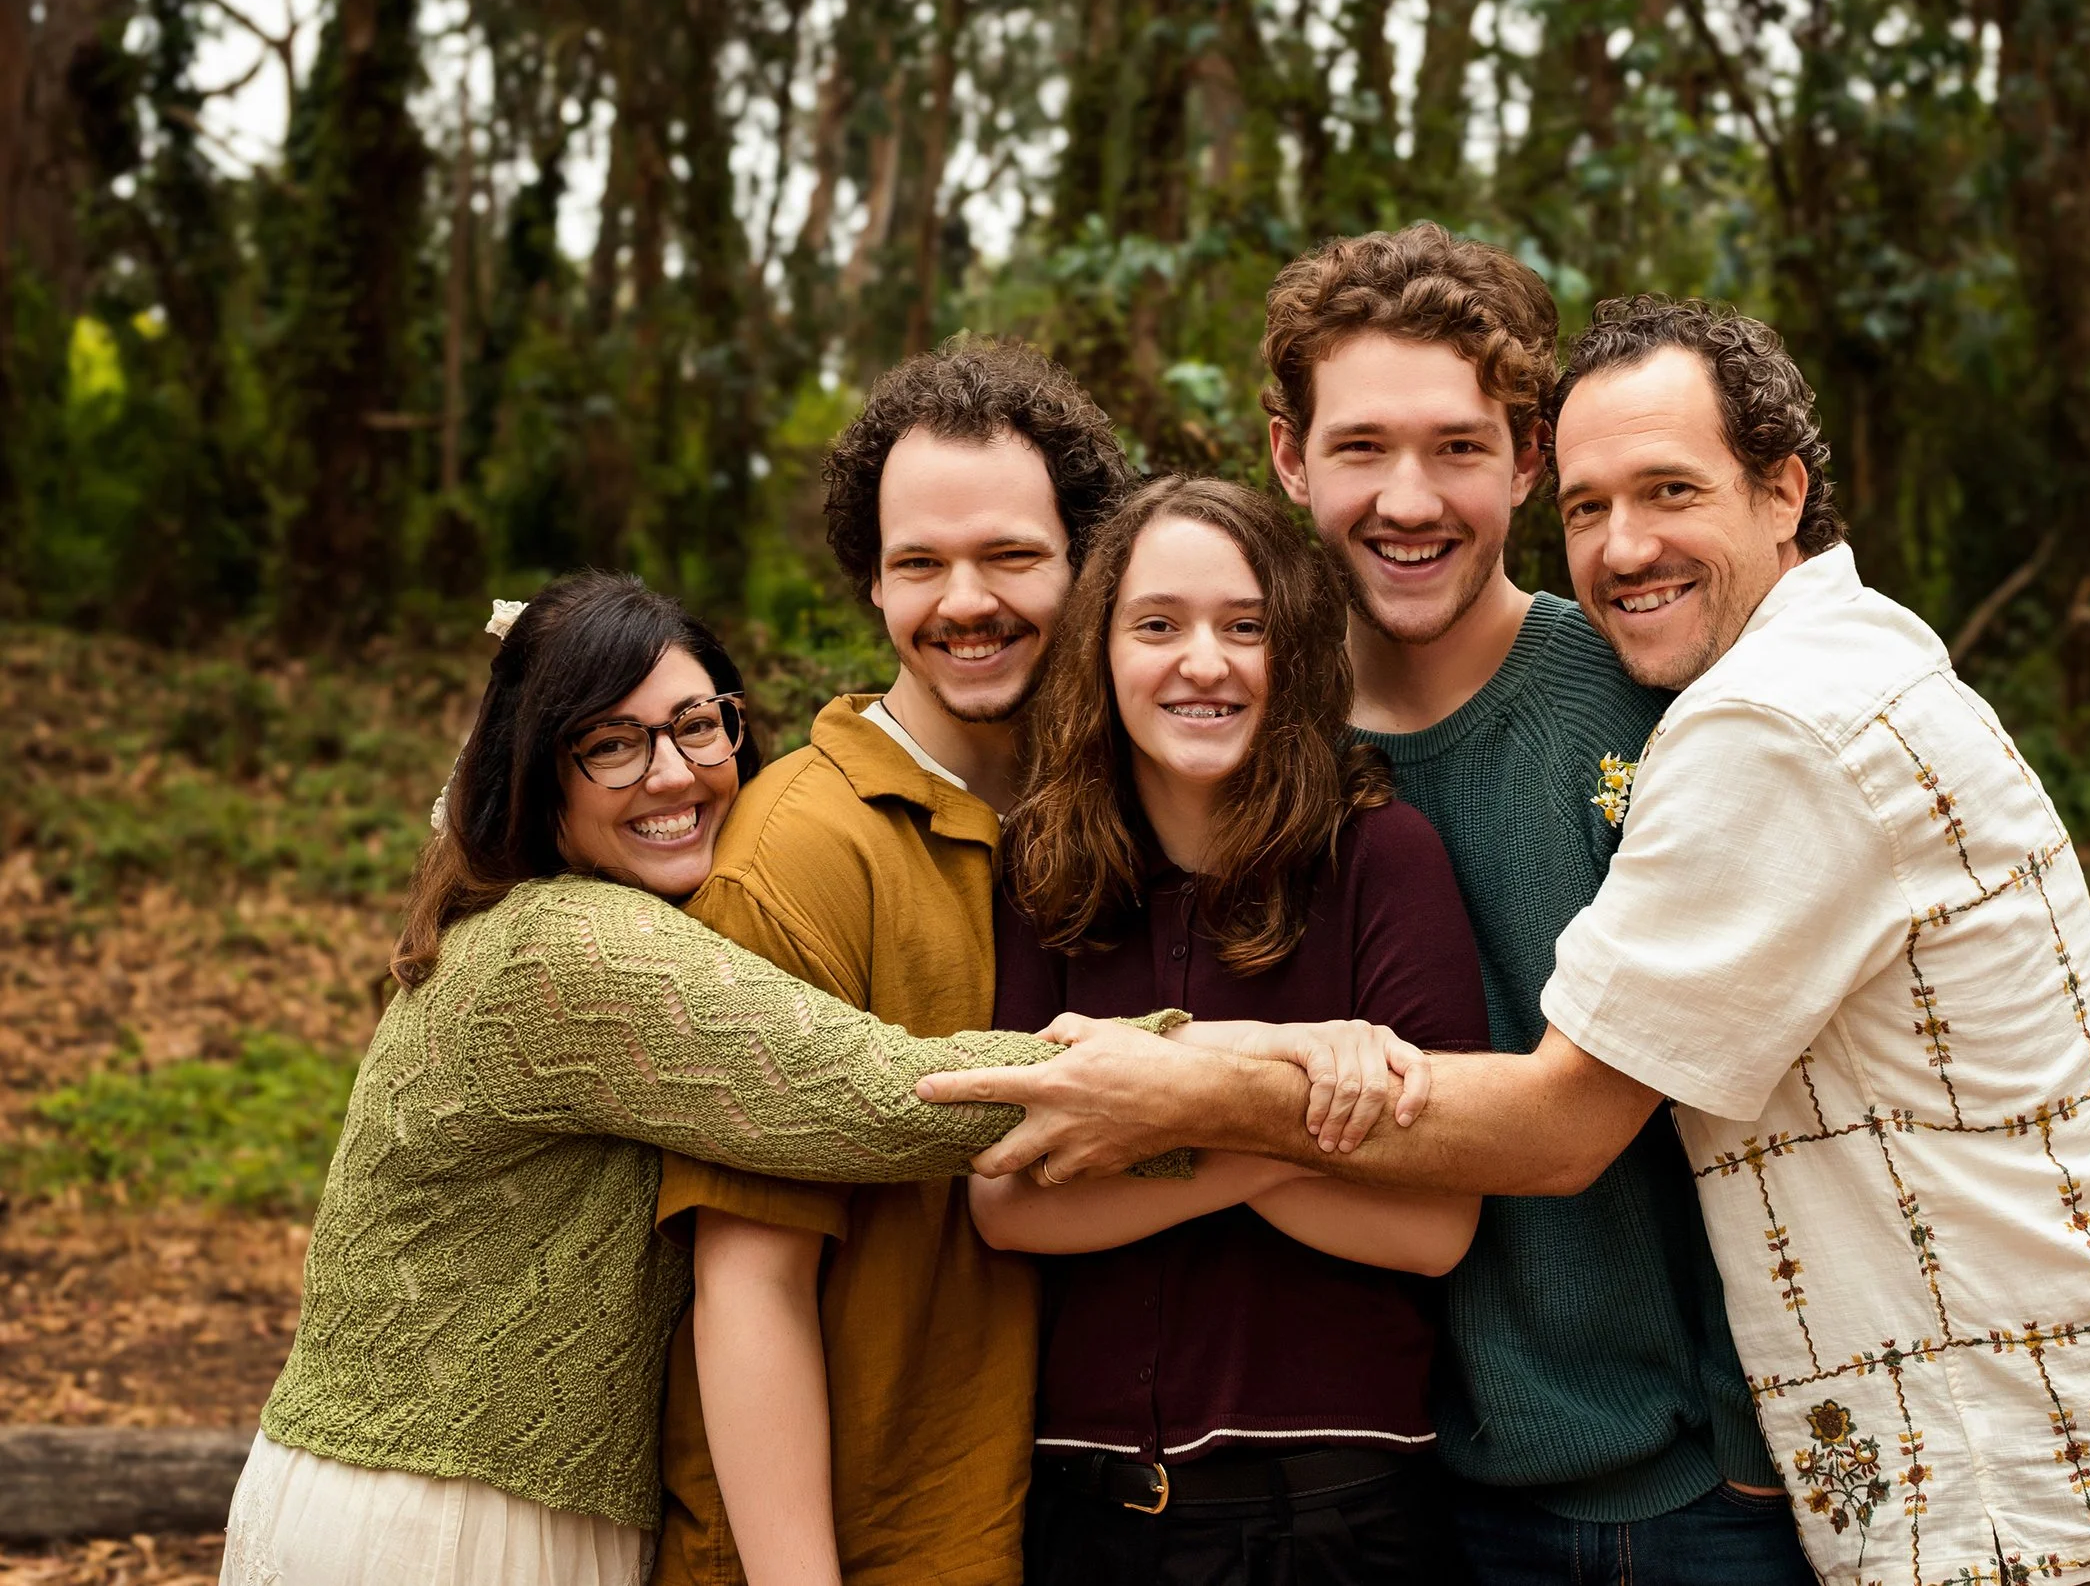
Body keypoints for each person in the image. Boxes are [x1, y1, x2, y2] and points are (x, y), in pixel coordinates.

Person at [924, 296, 2090, 1586]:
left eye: (1669, 490)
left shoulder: (1714, 712)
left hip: (1829, 1478)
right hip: (1465, 1475)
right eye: (1596, 508)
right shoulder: (1282, 756)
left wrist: (1200, 1088)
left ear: (1781, 491)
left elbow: (1570, 1120)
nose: (1626, 546)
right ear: (1291, 457)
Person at [220, 571, 1124, 1586]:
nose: (673, 773)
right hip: (446, 1517)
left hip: (463, 1489)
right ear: (536, 771)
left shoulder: (521, 919)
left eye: (698, 725)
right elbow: (871, 1094)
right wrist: (1181, 1069)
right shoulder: (570, 947)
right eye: (612, 744)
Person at [1263, 222, 1808, 1582]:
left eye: (1458, 447)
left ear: (1526, 459)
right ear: (1289, 459)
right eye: (1359, 448)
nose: (1408, 498)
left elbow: (1774, 1086)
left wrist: (1745, 1449)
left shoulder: (1639, 699)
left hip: (1683, 1494)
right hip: (1395, 1483)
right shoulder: (1254, 739)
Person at [650, 338, 1137, 1586]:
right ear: (870, 583)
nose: (962, 600)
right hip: (857, 1545)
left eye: (1011, 556)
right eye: (918, 562)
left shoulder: (1119, 818)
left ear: (1088, 562)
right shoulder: (800, 847)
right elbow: (745, 1278)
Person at [972, 475, 1486, 1585]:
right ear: (1101, 653)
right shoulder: (1043, 872)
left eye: (1242, 627)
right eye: (1157, 624)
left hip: (1339, 1512)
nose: (1201, 661)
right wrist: (1290, 1071)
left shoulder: (1381, 859)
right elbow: (1008, 1201)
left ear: (1292, 652)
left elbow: (1434, 1224)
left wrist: (1162, 1103)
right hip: (1089, 1509)